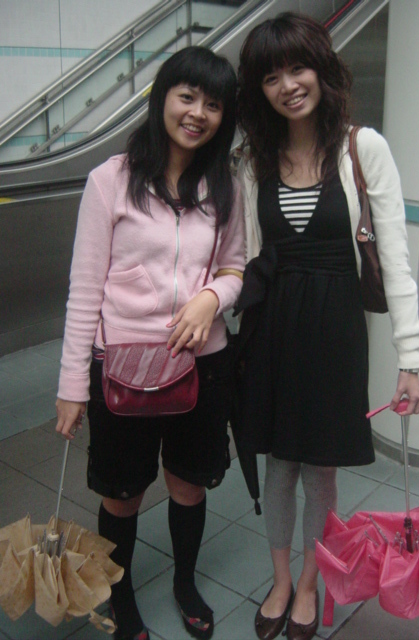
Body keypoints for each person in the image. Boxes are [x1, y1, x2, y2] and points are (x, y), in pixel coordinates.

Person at [235, 13, 419, 640]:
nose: (287, 84)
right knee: (278, 464)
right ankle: (281, 578)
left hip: (335, 330)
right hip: (274, 328)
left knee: (319, 467)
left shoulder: (360, 147)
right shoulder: (253, 158)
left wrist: (410, 356)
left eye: (298, 67)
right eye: (270, 75)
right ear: (259, 90)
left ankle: (312, 583)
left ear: (321, 68)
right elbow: (245, 256)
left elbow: (394, 256)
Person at [55, 46, 244, 640]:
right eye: (187, 96)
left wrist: (212, 297)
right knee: (123, 493)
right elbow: (84, 289)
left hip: (202, 363)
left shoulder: (226, 184)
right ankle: (121, 595)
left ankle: (185, 582)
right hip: (120, 366)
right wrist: (69, 388)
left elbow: (237, 267)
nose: (198, 112)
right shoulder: (109, 180)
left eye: (213, 104)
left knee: (188, 483)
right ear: (162, 95)